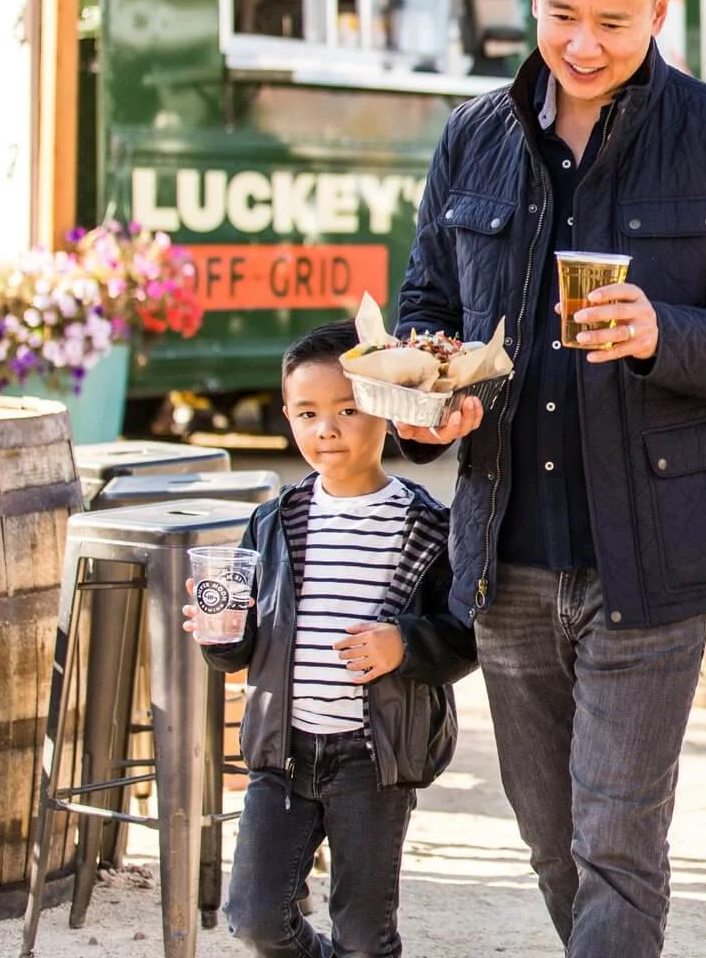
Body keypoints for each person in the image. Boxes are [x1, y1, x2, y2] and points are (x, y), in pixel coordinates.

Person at [389, 0, 706, 954]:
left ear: (659, 9)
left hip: (653, 554)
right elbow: (426, 306)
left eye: (613, 22)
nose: (582, 43)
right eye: (562, 14)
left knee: (617, 836)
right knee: (552, 840)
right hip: (503, 551)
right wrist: (428, 396)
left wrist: (662, 329)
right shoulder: (471, 136)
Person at [190, 320, 477, 958]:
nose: (328, 429)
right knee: (256, 918)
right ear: (288, 416)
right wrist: (220, 634)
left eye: (348, 409)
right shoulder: (273, 521)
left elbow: (467, 637)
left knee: (365, 938)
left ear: (384, 405)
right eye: (308, 413)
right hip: (282, 752)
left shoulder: (428, 526)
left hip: (374, 760)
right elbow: (237, 652)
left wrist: (406, 645)